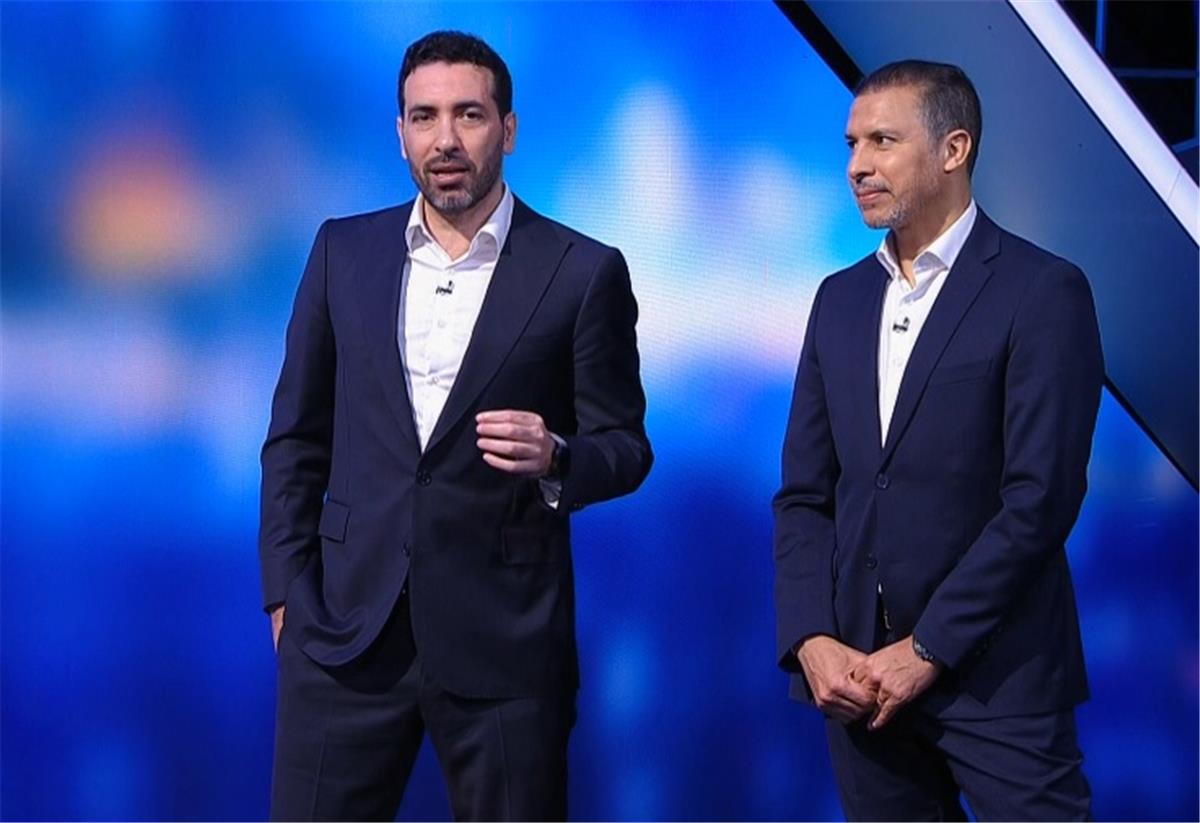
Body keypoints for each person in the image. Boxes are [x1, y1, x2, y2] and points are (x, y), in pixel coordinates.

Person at [259, 30, 652, 822]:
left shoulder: (581, 271)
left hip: (505, 642)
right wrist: (286, 594)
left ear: (507, 129)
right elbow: (295, 438)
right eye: (423, 116)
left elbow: (625, 447)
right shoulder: (341, 252)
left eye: (468, 115)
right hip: (343, 634)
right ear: (399, 134)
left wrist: (556, 455)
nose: (445, 138)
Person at [773, 60, 1103, 821]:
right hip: (858, 682)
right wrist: (811, 635)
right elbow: (804, 494)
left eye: (883, 141)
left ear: (954, 149)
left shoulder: (1042, 290)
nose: (858, 166)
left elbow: (1040, 501)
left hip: (998, 678)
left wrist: (927, 649)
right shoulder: (838, 298)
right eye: (852, 144)